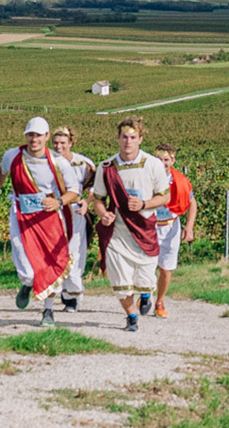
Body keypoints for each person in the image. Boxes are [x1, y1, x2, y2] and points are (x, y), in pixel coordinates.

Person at [0, 117, 81, 327]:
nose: (34, 139)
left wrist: (58, 202)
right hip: (21, 214)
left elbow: (74, 190)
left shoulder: (58, 162)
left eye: (38, 135)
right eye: (30, 135)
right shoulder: (13, 156)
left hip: (50, 218)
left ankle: (48, 311)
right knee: (24, 261)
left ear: (46, 137)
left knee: (51, 263)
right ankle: (27, 284)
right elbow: (0, 175)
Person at [87, 116, 171, 332]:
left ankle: (145, 295)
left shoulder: (152, 164)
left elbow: (164, 197)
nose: (128, 142)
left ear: (140, 139)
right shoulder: (106, 167)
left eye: (133, 137)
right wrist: (103, 214)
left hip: (144, 232)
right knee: (120, 279)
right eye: (124, 137)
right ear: (118, 138)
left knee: (145, 279)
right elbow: (98, 199)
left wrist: (144, 203)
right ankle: (131, 316)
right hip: (118, 232)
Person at [51, 126, 98, 312]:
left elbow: (94, 187)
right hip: (54, 211)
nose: (59, 146)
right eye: (55, 142)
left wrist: (86, 202)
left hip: (75, 210)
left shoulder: (83, 164)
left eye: (63, 143)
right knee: (55, 252)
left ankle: (73, 294)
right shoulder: (47, 162)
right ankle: (62, 290)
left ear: (71, 143)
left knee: (75, 252)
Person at [148, 143, 197, 318]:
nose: (162, 163)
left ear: (173, 160)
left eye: (166, 160)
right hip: (150, 226)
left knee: (165, 268)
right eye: (159, 159)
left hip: (170, 227)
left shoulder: (181, 181)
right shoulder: (147, 178)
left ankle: (159, 301)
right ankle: (146, 294)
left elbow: (192, 203)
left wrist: (189, 227)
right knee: (146, 265)